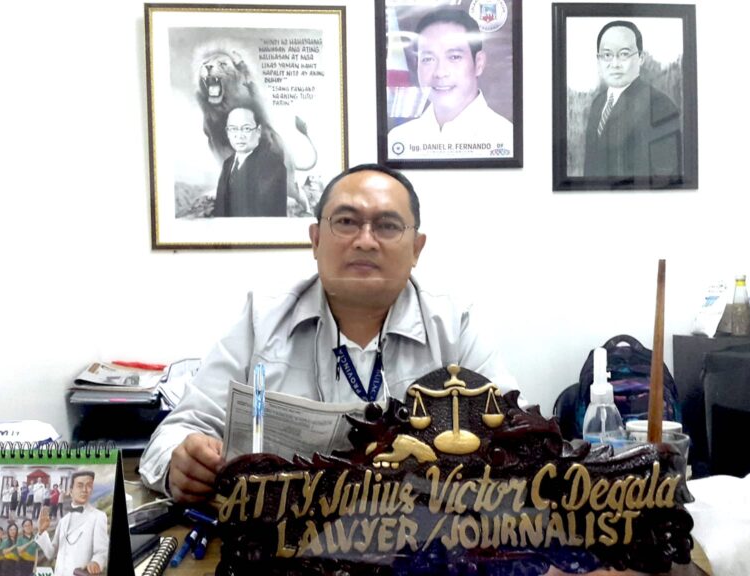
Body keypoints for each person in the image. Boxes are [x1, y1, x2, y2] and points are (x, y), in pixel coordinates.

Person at [139, 163, 516, 503]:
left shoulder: (453, 327)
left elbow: (519, 436)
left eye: (387, 226)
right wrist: (180, 464)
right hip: (283, 540)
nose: (365, 240)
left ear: (416, 249)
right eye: (347, 222)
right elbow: (177, 432)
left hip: (418, 538)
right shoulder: (262, 321)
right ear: (316, 240)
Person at [387, 8, 513, 159]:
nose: (440, 72)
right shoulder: (399, 140)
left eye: (454, 57)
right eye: (428, 59)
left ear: (479, 63)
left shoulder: (505, 137)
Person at [583, 20, 681, 181]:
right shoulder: (598, 104)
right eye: (607, 55)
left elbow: (665, 179)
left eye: (624, 54)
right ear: (598, 60)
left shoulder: (660, 105)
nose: (615, 64)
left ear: (641, 57)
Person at [213, 104, 288, 217]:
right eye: (233, 129)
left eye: (246, 129)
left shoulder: (272, 165)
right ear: (227, 132)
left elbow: (267, 214)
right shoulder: (228, 164)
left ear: (258, 131)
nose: (239, 135)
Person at [36, 471, 108, 576]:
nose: (85, 490)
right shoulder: (63, 521)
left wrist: (96, 562)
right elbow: (51, 553)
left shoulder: (98, 516)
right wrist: (42, 532)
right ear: (71, 491)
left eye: (89, 486)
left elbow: (102, 551)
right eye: (80, 485)